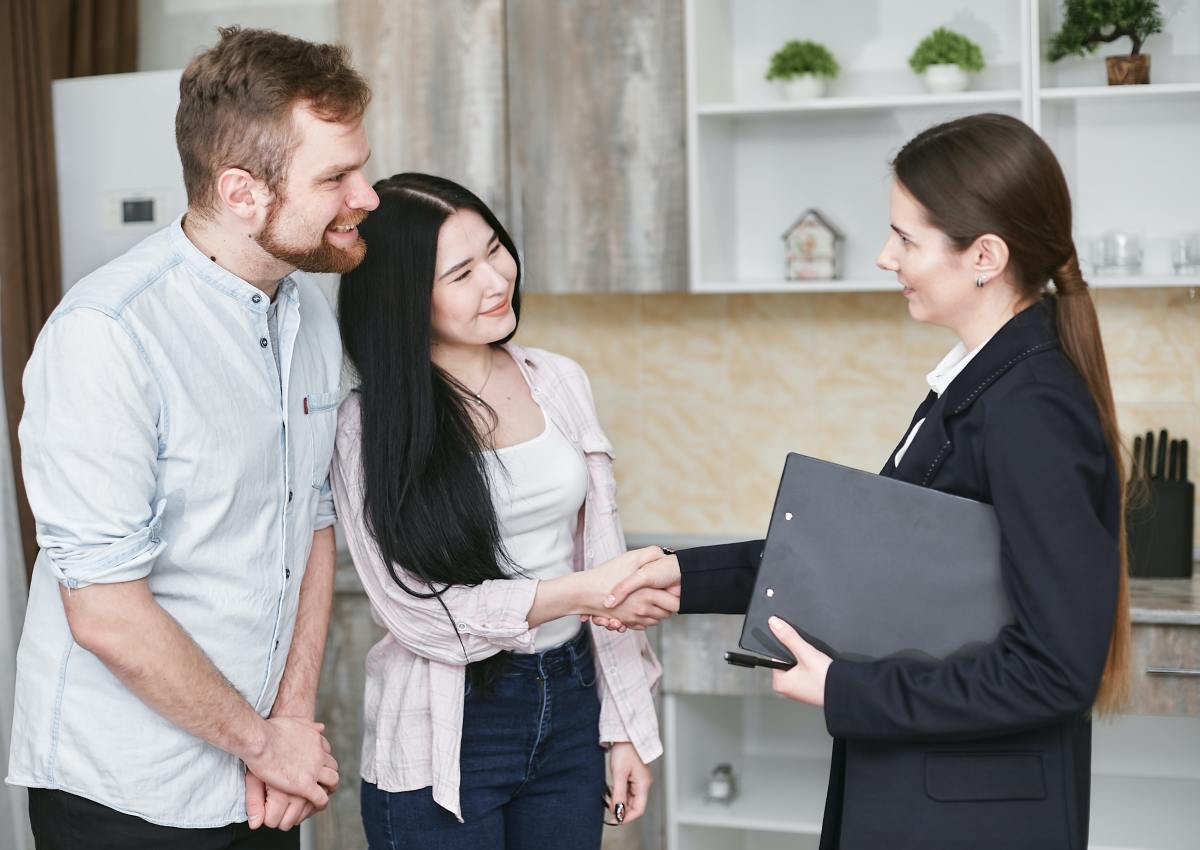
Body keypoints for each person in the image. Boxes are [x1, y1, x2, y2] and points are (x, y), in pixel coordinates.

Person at [602, 113, 1130, 850]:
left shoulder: (1031, 408)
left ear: (984, 255)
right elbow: (863, 561)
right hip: (933, 793)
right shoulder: (978, 385)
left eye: (907, 239)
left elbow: (1054, 672)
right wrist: (679, 577)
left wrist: (847, 690)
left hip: (974, 814)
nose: (886, 257)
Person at [7, 27, 379, 849]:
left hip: (258, 778)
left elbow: (309, 522)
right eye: (337, 177)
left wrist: (287, 719)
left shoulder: (307, 314)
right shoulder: (108, 333)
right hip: (127, 796)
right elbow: (104, 611)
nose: (367, 196)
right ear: (242, 192)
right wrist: (264, 743)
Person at [333, 173, 674, 849]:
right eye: (461, 273)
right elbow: (418, 616)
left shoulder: (558, 380)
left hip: (572, 699)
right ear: (405, 299)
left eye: (494, 249)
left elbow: (600, 553)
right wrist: (577, 593)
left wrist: (626, 729)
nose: (496, 280)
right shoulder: (367, 427)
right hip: (447, 725)